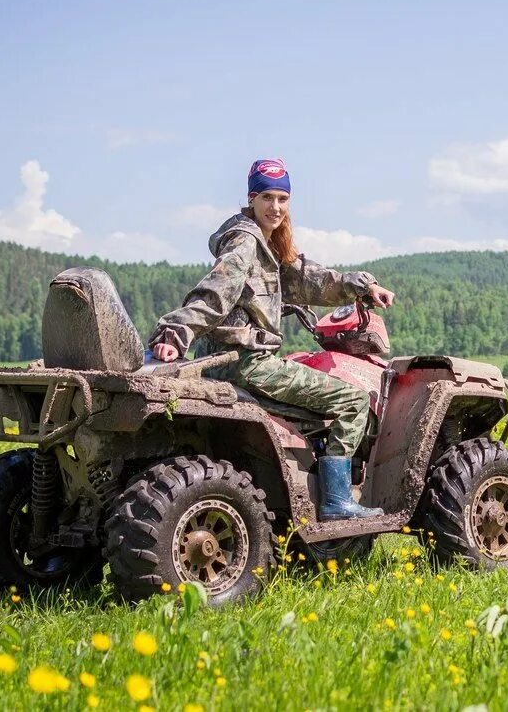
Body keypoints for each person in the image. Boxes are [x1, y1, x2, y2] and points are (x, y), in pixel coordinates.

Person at [149, 158, 395, 520]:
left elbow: (310, 279)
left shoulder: (268, 247)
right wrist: (175, 332)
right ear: (252, 198)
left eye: (283, 199)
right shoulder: (247, 243)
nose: (276, 207)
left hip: (226, 362)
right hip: (251, 364)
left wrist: (363, 285)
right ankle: (338, 501)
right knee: (354, 401)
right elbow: (217, 292)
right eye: (267, 197)